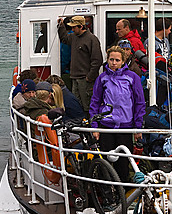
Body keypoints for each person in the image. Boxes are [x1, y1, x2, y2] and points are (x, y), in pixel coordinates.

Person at [89, 45, 146, 182]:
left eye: (117, 60)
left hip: (125, 126)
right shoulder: (102, 78)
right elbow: (95, 102)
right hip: (106, 125)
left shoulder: (132, 77)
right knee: (105, 163)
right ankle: (106, 193)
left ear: (123, 61)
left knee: (123, 164)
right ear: (107, 60)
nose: (114, 63)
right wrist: (95, 126)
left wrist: (138, 127)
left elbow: (139, 103)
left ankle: (123, 191)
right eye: (111, 59)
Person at [57, 16, 103, 114]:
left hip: (86, 80)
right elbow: (64, 39)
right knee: (77, 104)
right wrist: (61, 26)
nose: (72, 29)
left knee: (87, 105)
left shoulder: (92, 39)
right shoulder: (73, 37)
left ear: (81, 26)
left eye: (74, 27)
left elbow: (97, 60)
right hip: (75, 78)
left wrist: (89, 77)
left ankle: (90, 126)